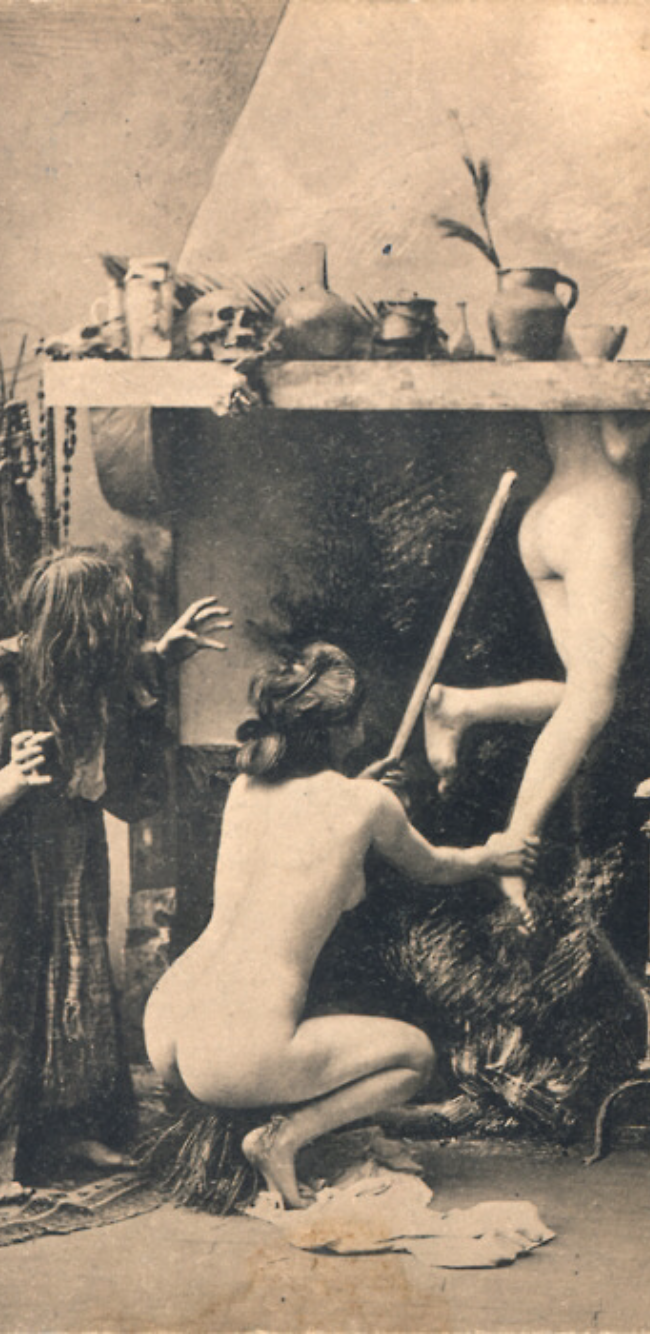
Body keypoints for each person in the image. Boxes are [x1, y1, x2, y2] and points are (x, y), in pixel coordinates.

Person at [143, 642, 538, 1209]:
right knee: (416, 1055)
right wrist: (492, 856)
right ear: (342, 729)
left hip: (170, 1016)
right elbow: (435, 867)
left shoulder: (245, 787)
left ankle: (259, 1137)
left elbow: (303, 825)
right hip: (235, 1050)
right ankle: (282, 1140)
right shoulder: (368, 804)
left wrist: (359, 787)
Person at [0, 547, 231, 1207]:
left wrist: (161, 657)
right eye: (116, 618)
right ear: (82, 627)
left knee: (73, 987)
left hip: (64, 852)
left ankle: (65, 1131)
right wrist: (8, 781)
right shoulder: (0, 685)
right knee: (2, 999)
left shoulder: (80, 668)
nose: (129, 625)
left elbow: (114, 703)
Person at [424, 410, 650, 929]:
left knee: (583, 696)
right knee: (593, 700)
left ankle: (460, 706)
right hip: (595, 516)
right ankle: (513, 847)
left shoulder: (554, 364)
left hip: (546, 515)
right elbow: (617, 444)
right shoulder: (615, 363)